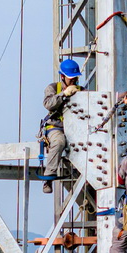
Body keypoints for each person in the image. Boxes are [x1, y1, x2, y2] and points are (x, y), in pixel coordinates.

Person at [40, 59, 83, 193]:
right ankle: (48, 177)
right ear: (62, 76)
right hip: (56, 127)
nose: (74, 80)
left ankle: (86, 178)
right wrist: (63, 94)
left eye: (75, 78)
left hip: (76, 128)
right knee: (59, 142)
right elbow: (48, 104)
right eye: (71, 78)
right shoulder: (53, 88)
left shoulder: (81, 90)